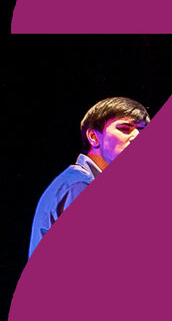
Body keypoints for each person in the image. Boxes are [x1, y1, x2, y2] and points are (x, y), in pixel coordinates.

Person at [30, 96, 151, 257]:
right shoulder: (79, 185)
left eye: (141, 130)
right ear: (93, 137)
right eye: (125, 128)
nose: (137, 136)